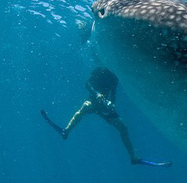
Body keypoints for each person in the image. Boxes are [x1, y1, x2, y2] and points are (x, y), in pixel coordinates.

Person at [41, 67, 171, 167]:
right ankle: (66, 131)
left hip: (104, 105)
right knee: (85, 107)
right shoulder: (99, 70)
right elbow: (87, 84)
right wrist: (97, 94)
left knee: (123, 127)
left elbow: (113, 94)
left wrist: (112, 104)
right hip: (93, 100)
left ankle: (133, 156)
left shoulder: (114, 77)